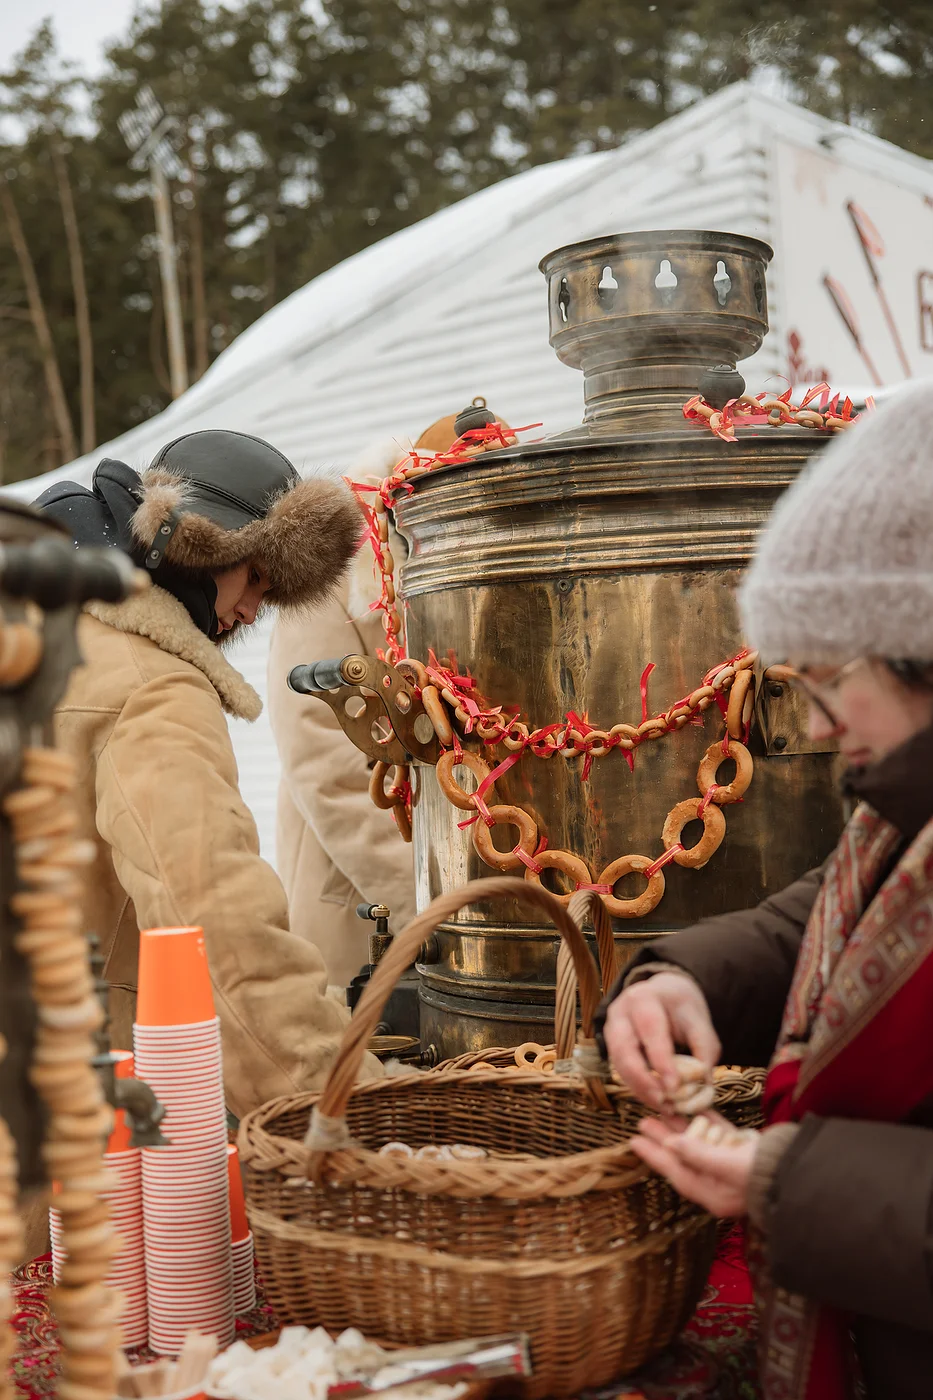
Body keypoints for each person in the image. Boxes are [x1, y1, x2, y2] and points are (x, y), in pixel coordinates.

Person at [597, 383, 933, 1400]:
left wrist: (787, 1184)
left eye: (832, 676)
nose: (822, 722)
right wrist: (680, 979)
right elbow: (831, 911)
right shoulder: (900, 802)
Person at [34, 430, 380, 1123]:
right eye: (253, 575)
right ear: (196, 547)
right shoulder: (148, 683)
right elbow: (217, 934)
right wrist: (348, 1104)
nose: (253, 610)